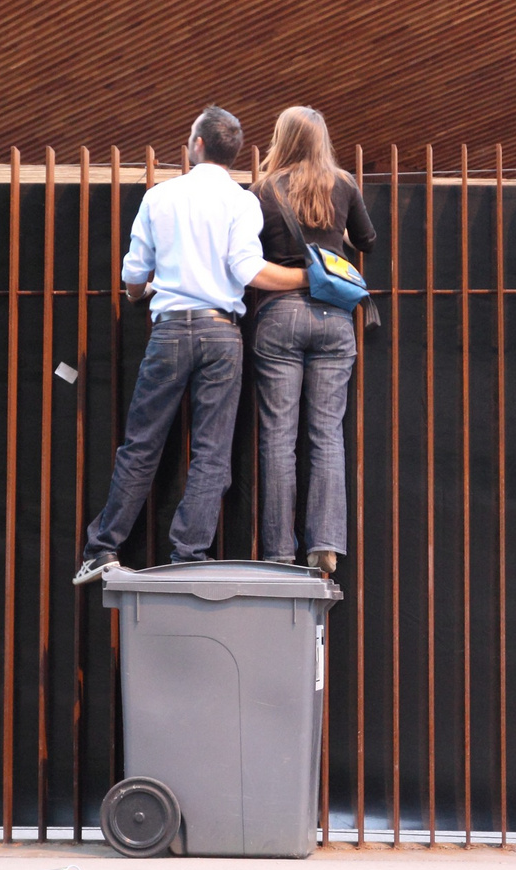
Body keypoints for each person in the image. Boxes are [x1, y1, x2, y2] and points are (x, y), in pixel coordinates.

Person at [73, 106, 308, 584]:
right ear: (232, 152)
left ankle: (102, 548)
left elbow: (134, 278)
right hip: (223, 332)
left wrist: (146, 287)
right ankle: (190, 557)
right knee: (212, 452)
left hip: (171, 331)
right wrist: (310, 277)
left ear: (196, 144)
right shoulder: (243, 203)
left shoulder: (161, 197)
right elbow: (248, 270)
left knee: (141, 445)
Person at [247, 106, 378, 575]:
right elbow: (368, 239)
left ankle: (280, 552)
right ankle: (324, 546)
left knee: (279, 438)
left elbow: (245, 250)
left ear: (281, 138)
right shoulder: (342, 183)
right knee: (326, 434)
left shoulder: (262, 190)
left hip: (280, 314)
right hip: (335, 319)